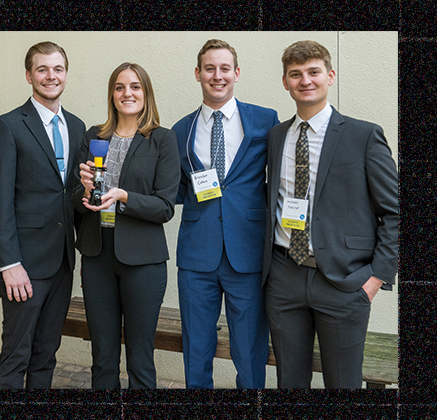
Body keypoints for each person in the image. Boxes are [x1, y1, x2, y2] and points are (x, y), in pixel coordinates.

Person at [263, 40, 398, 388]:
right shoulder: (277, 137)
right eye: (296, 74)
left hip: (344, 282)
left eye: (313, 72)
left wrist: (374, 279)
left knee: (343, 384)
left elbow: (395, 212)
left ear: (330, 76)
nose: (305, 80)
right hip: (284, 276)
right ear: (285, 82)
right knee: (289, 382)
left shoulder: (363, 135)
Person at [170, 39, 279, 389]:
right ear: (198, 74)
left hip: (246, 253)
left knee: (249, 350)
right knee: (196, 350)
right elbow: (174, 189)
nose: (217, 76)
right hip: (196, 254)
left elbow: (278, 179)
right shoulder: (179, 130)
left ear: (236, 73)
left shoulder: (266, 121)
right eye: (210, 69)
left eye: (224, 68)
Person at [0, 41, 86, 389]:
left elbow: (70, 193)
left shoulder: (76, 126)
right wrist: (9, 264)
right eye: (42, 69)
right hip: (24, 265)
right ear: (29, 75)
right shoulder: (8, 126)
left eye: (57, 69)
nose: (50, 76)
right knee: (16, 354)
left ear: (66, 75)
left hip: (62, 261)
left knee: (47, 352)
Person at [74, 62, 180, 389]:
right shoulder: (94, 135)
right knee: (102, 356)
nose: (127, 93)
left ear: (145, 93)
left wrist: (123, 196)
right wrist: (85, 191)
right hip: (97, 257)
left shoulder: (162, 139)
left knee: (140, 355)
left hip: (142, 263)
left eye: (135, 86)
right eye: (120, 87)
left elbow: (164, 206)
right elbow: (78, 195)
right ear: (112, 94)